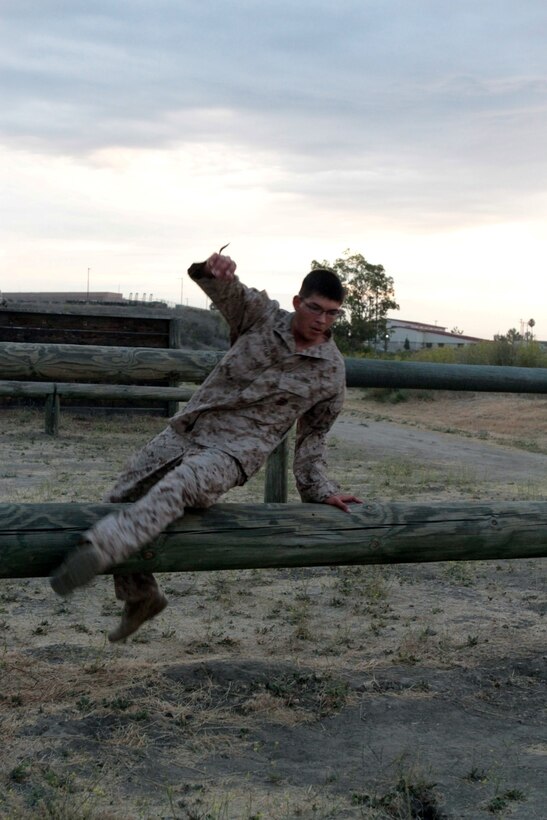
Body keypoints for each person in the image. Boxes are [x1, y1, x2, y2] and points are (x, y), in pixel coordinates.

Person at [50, 250, 362, 640]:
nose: (322, 320)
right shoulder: (262, 316)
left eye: (333, 314)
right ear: (298, 302)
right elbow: (231, 294)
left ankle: (101, 549)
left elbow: (313, 437)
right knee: (121, 494)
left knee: (178, 487)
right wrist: (217, 274)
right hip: (190, 429)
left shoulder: (330, 371)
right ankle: (142, 596)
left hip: (231, 454)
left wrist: (320, 491)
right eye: (316, 309)